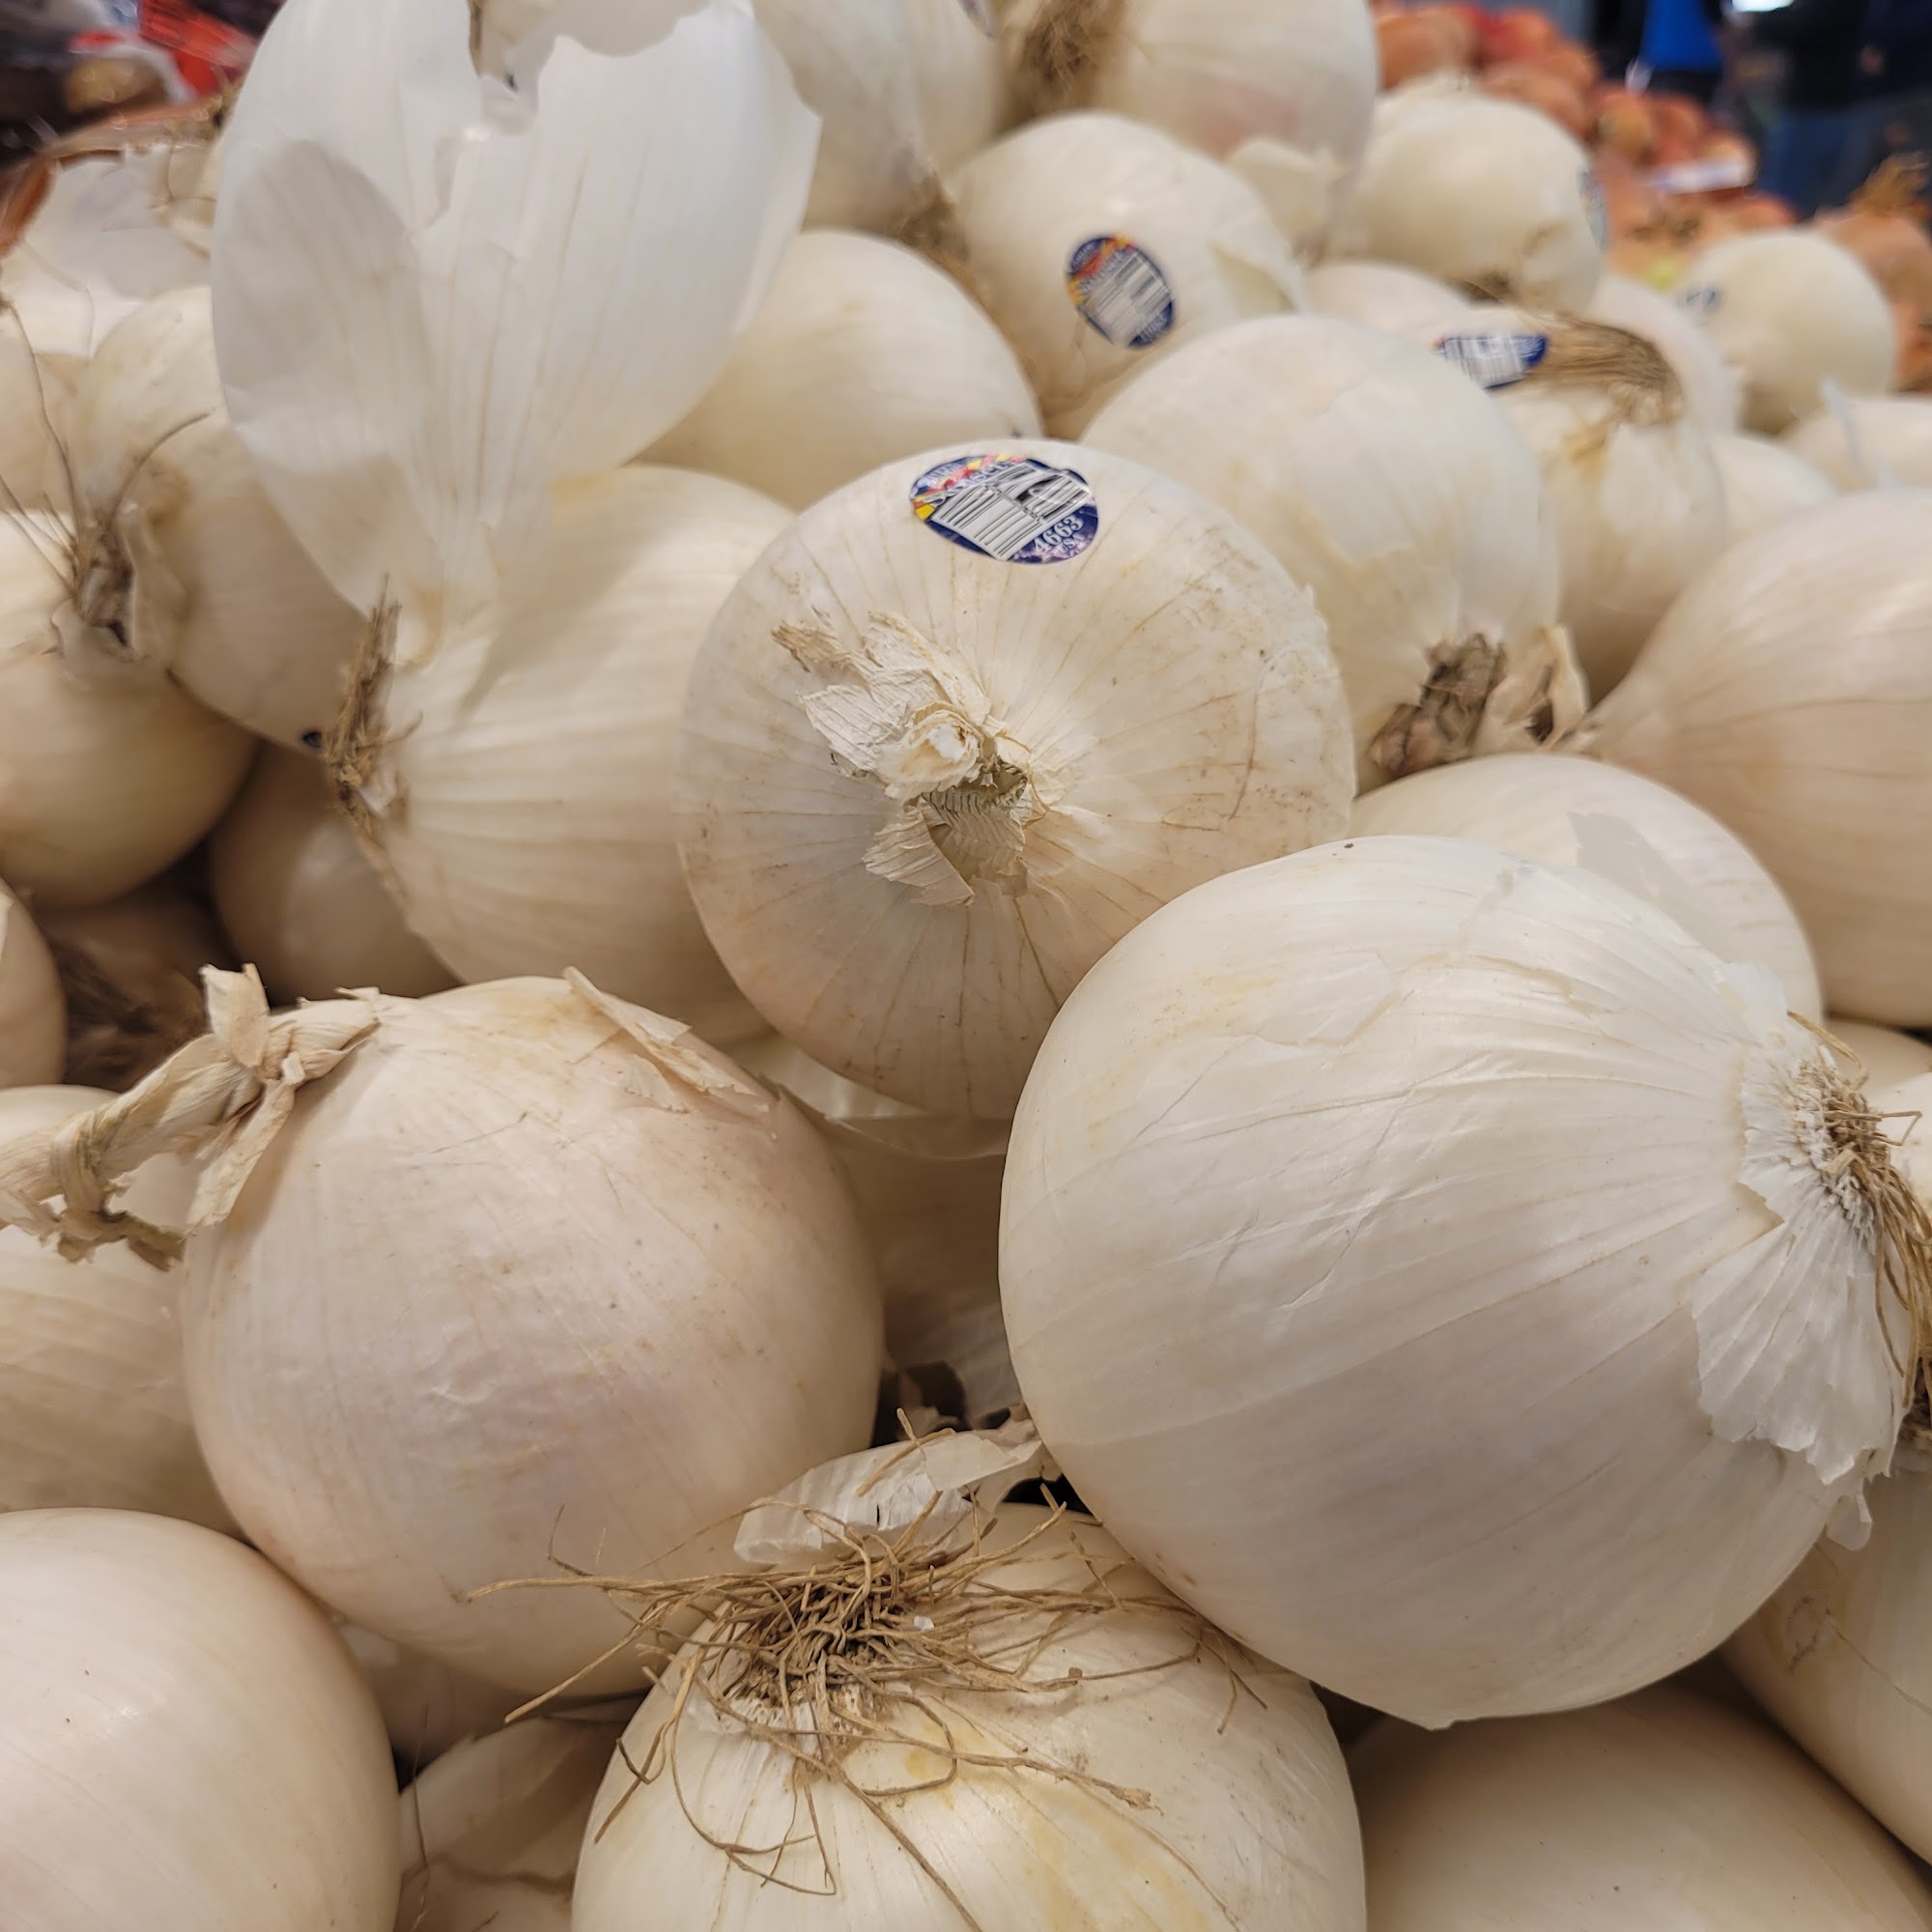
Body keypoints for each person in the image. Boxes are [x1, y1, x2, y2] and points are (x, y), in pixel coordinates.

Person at [1748, 0, 1872, 215]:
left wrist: (1761, 22)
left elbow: (1806, 24)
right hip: (1829, 102)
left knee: (1786, 199)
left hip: (1819, 105)